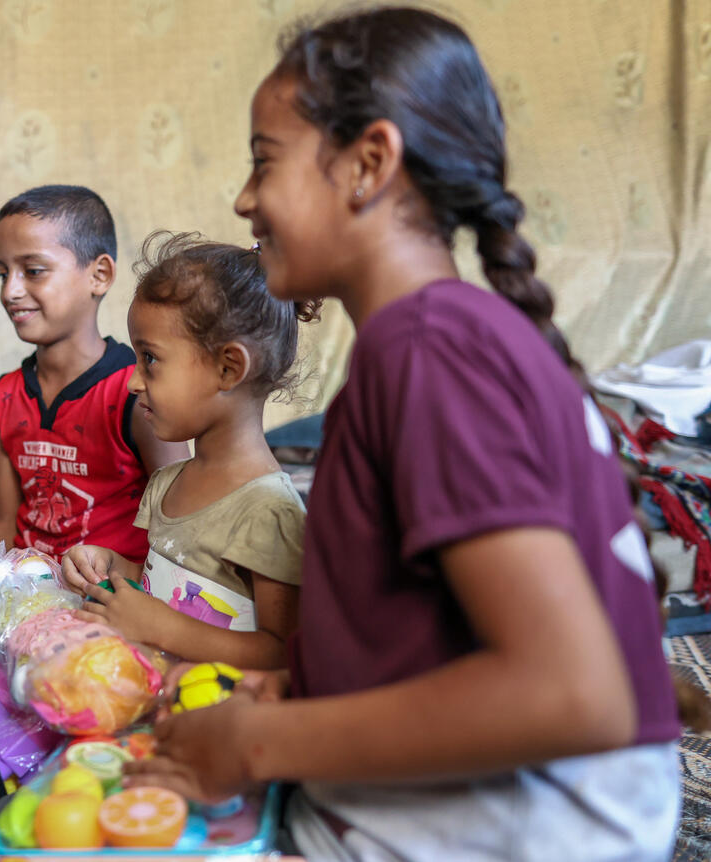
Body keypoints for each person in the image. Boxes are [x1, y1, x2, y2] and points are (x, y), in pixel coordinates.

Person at [124, 9, 682, 859]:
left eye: (264, 162)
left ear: (369, 163)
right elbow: (426, 629)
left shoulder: (431, 355)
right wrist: (291, 690)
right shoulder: (437, 345)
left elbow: (575, 693)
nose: (244, 199)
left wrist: (259, 746)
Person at [0, 187, 186, 643]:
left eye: (33, 271)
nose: (10, 290)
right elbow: (6, 519)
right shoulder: (5, 395)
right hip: (19, 608)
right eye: (2, 272)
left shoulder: (135, 392)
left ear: (98, 275)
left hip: (107, 612)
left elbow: (181, 530)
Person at [60, 233, 312, 668]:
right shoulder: (167, 483)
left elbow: (282, 654)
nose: (134, 380)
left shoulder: (270, 512)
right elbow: (170, 591)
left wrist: (157, 626)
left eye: (150, 359)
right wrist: (116, 568)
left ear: (228, 368)